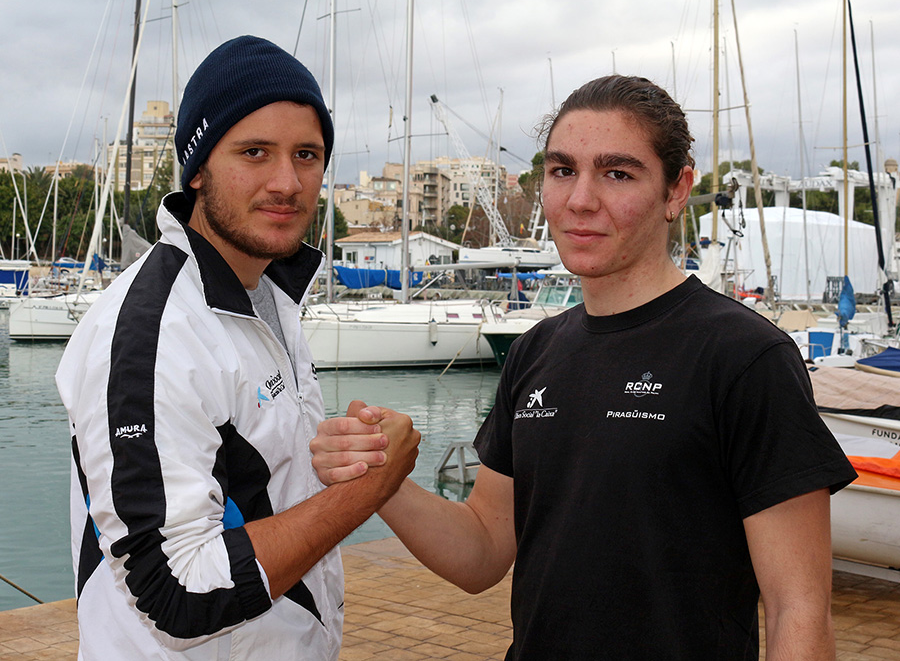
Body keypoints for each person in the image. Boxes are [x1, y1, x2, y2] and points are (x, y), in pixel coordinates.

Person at [311, 75, 858, 660]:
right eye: (562, 170)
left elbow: (797, 609)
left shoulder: (746, 357)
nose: (580, 199)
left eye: (617, 173)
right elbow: (483, 552)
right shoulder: (534, 351)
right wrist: (379, 476)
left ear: (677, 191)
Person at [56, 35, 418, 660]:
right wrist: (363, 492)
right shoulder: (154, 332)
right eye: (255, 152)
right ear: (197, 168)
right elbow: (175, 594)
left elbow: (245, 476)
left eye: (307, 154)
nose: (287, 181)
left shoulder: (266, 293)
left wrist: (328, 456)